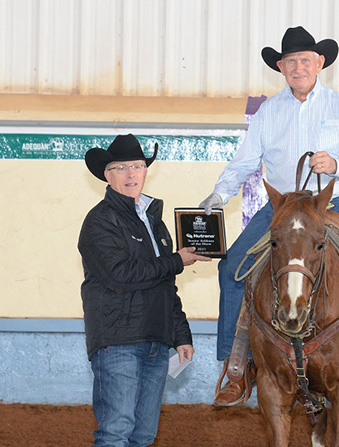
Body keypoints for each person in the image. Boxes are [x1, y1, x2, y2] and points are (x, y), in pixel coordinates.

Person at [199, 26, 339, 406]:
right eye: (291, 61)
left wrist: (336, 163)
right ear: (281, 67)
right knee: (232, 267)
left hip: (338, 203)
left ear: (320, 63)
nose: (299, 67)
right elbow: (245, 161)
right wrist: (218, 195)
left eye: (305, 60)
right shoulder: (269, 111)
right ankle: (237, 366)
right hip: (282, 208)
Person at [79, 134, 211, 446]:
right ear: (107, 175)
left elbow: (166, 285)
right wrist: (177, 259)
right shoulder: (100, 221)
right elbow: (120, 274)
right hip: (118, 340)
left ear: (146, 171)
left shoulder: (154, 222)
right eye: (121, 168)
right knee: (116, 431)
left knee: (143, 435)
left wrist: (180, 335)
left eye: (137, 166)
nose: (131, 174)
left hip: (155, 338)